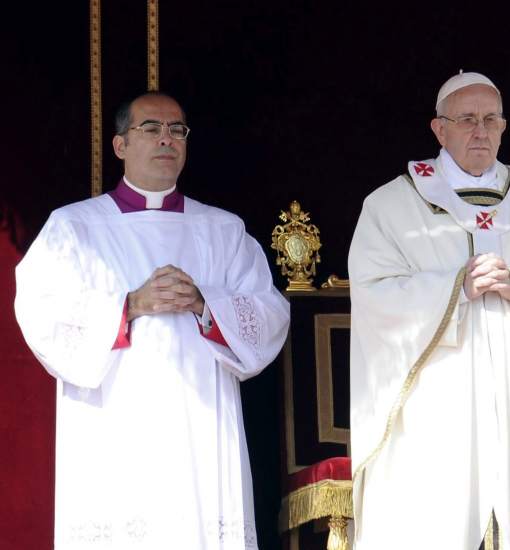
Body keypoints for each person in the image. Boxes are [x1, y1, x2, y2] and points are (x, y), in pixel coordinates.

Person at [15, 92, 290, 550]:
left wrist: (207, 305)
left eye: (177, 130)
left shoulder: (222, 229)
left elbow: (269, 312)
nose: (168, 139)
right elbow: (43, 313)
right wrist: (129, 306)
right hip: (115, 420)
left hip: (201, 422)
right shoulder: (74, 228)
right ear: (121, 145)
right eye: (152, 129)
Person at [348, 71, 510, 550]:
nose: (480, 131)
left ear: (504, 127)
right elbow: (374, 293)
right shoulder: (392, 205)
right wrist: (454, 289)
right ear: (439, 129)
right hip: (435, 405)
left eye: (490, 119)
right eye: (466, 120)